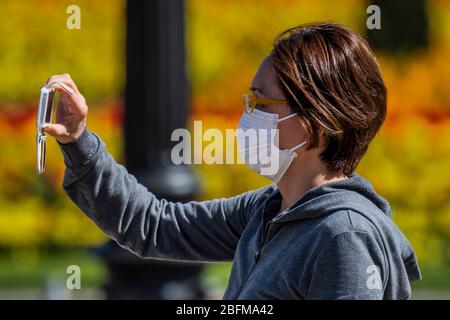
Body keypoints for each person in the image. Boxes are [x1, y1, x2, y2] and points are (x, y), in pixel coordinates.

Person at [43, 22, 421, 300]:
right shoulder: (268, 210)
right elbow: (152, 224)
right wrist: (78, 139)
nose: (247, 114)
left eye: (261, 103)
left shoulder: (344, 236)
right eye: (248, 101)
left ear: (318, 125)